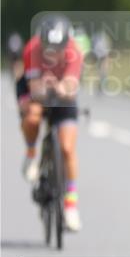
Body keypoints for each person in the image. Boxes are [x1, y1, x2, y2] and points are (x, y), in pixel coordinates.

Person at [20, 15, 84, 231]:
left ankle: (71, 205)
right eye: (49, 48)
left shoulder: (75, 51)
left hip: (63, 95)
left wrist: (60, 87)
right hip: (36, 91)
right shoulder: (31, 50)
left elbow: (71, 86)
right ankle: (30, 154)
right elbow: (34, 89)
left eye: (59, 48)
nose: (54, 53)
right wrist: (43, 87)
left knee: (67, 148)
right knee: (31, 117)